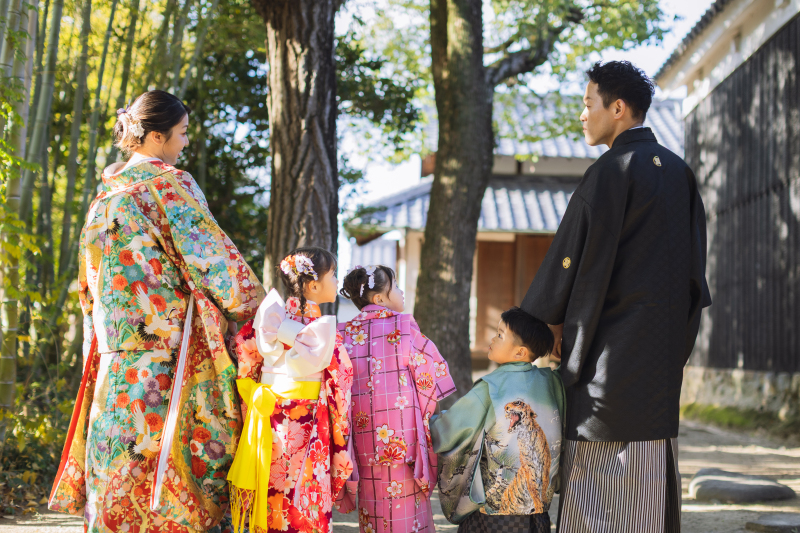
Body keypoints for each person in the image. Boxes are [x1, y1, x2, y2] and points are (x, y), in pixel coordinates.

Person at [49, 90, 266, 532]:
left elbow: (88, 288)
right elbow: (211, 258)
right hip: (168, 363)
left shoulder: (102, 203)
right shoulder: (169, 186)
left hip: (114, 362)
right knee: (171, 473)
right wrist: (256, 310)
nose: (185, 143)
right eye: (181, 134)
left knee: (118, 467)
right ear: (155, 136)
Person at [520, 61, 712, 533]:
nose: (583, 116)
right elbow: (694, 279)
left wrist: (548, 320)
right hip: (659, 355)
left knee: (596, 471)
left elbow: (570, 257)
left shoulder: (609, 171)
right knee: (646, 471)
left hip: (606, 353)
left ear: (618, 108)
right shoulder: (681, 174)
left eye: (589, 105)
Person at [227, 247, 354, 533]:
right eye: (332, 275)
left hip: (268, 418)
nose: (336, 281)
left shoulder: (263, 324)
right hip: (309, 422)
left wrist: (253, 405)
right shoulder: (323, 333)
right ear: (313, 286)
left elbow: (245, 357)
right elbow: (342, 381)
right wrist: (340, 424)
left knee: (272, 490)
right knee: (305, 496)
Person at [337, 265, 457, 533]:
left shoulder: (342, 333)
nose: (402, 292)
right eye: (397, 286)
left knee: (374, 513)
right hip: (403, 440)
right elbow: (430, 375)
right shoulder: (403, 326)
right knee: (408, 514)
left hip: (362, 439)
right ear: (379, 299)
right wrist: (421, 410)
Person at [432, 307, 565, 533]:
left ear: (520, 352)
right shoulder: (553, 382)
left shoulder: (490, 388)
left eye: (500, 335)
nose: (493, 338)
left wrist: (428, 419)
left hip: (494, 517)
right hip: (539, 509)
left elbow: (447, 431)